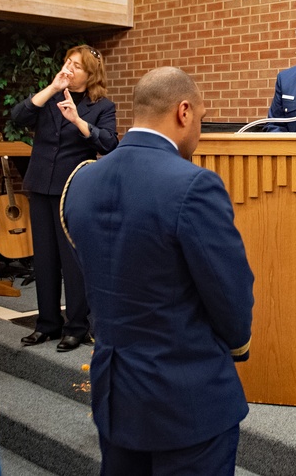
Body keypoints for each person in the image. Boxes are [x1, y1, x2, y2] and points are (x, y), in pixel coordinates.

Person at [61, 67, 254, 475]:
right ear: (183, 112)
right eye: (200, 120)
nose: (198, 132)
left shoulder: (81, 181)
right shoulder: (194, 185)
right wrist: (238, 344)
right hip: (184, 395)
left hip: (115, 392)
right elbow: (230, 292)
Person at [11, 45, 117, 351]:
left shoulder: (102, 106)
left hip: (73, 190)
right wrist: (52, 88)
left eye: (76, 66)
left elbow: (109, 144)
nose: (68, 69)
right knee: (43, 259)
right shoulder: (49, 98)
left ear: (90, 74)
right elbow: (18, 116)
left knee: (72, 261)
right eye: (67, 62)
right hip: (40, 185)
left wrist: (78, 122)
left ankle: (76, 327)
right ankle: (46, 324)